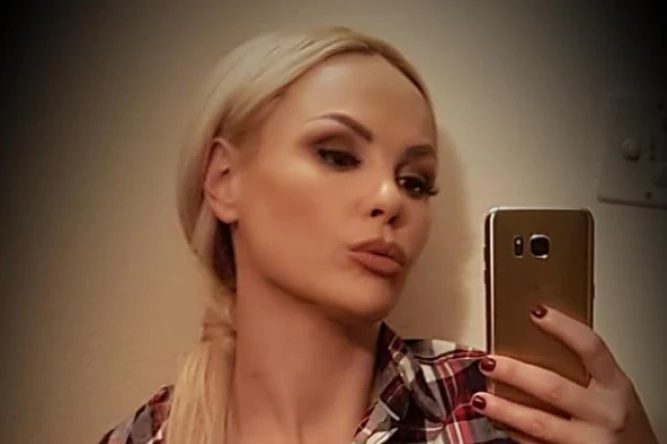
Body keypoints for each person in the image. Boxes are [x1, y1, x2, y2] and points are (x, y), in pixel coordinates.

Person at [98, 26, 659, 444]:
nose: (390, 199)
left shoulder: (498, 411)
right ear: (224, 181)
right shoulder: (144, 437)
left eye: (415, 181)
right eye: (338, 155)